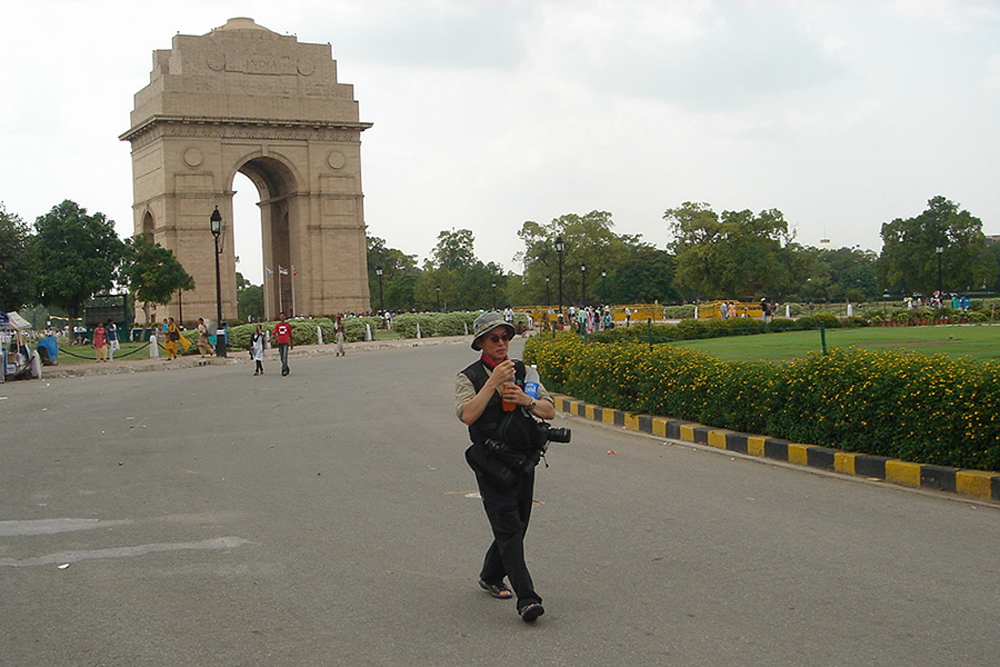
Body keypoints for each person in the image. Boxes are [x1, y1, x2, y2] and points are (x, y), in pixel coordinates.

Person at [455, 311, 556, 623]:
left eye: (505, 337)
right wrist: (493, 384)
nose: (501, 344)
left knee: (519, 525)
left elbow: (549, 411)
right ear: (481, 344)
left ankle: (490, 574)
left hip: (524, 460)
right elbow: (467, 415)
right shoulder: (469, 377)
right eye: (494, 338)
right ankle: (528, 599)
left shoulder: (525, 372)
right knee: (509, 528)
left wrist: (526, 399)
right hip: (491, 462)